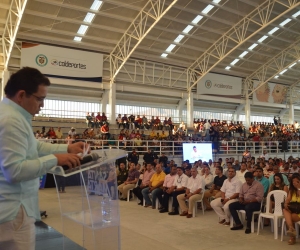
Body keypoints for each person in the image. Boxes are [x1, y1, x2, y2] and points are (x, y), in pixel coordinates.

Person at [0, 67, 87, 250]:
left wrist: (67, 148)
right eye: (40, 99)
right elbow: (14, 171)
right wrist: (54, 160)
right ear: (22, 95)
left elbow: (35, 147)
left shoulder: (13, 115)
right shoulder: (11, 120)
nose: (42, 105)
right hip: (14, 210)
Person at [283, 174, 300, 245]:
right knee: (285, 210)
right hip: (293, 210)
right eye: (293, 181)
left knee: (290, 217)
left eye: (296, 181)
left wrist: (299, 189)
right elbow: (287, 200)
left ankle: (292, 236)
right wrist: (286, 204)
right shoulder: (292, 190)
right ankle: (291, 228)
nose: (294, 182)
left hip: (299, 212)